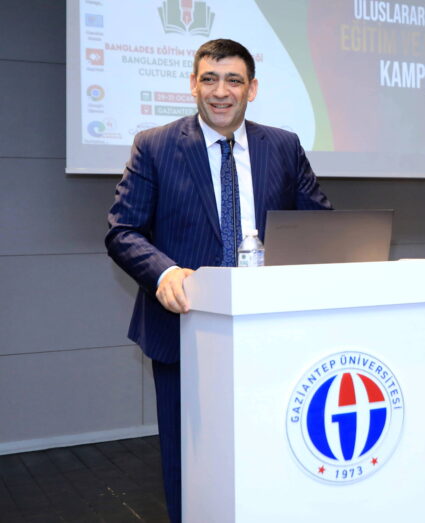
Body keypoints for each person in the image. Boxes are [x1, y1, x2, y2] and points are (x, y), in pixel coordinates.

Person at [106, 38, 332, 522]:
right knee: (190, 464)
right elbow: (123, 231)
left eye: (233, 80)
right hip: (183, 330)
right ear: (193, 84)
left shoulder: (284, 146)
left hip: (271, 331)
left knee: (273, 453)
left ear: (252, 88)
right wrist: (164, 271)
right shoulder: (155, 145)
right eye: (209, 79)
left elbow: (320, 226)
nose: (220, 91)